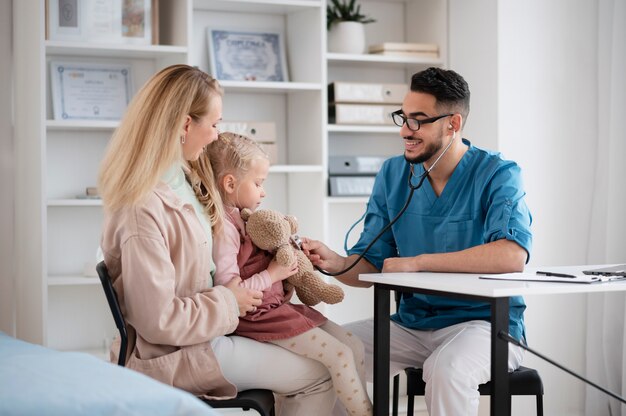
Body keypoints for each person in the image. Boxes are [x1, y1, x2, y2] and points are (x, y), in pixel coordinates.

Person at [97, 64, 336, 415]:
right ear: (184, 124)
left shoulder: (187, 178)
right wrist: (230, 301)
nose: (216, 136)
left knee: (324, 349)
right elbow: (158, 320)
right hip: (180, 351)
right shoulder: (141, 209)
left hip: (211, 331)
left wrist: (269, 275)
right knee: (322, 374)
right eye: (214, 124)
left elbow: (221, 258)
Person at [303, 67, 533, 416]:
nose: (404, 131)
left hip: (484, 326)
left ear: (453, 124)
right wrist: (334, 263)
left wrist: (418, 261)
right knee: (325, 353)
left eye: (418, 121)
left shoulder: (498, 174)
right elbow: (372, 264)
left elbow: (511, 255)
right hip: (413, 323)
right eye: (403, 117)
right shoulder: (393, 173)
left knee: (448, 369)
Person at [188, 132, 373, 416]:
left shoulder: (243, 216)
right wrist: (273, 273)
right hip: (259, 318)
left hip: (276, 309)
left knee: (354, 346)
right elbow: (232, 293)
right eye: (259, 184)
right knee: (340, 356)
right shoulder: (224, 229)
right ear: (230, 183)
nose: (263, 192)